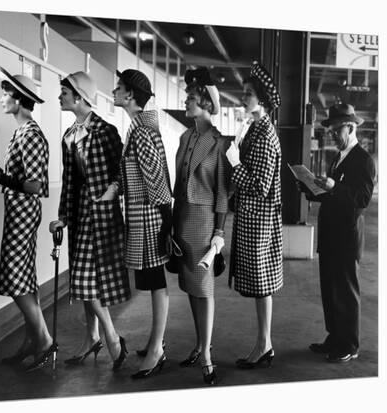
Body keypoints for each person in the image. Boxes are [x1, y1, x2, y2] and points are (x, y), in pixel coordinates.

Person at [0, 67, 56, 372]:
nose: (2, 98)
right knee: (24, 277)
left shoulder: (31, 135)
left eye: (6, 93)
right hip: (19, 209)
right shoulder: (21, 133)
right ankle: (32, 341)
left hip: (23, 210)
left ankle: (44, 341)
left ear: (19, 100)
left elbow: (34, 184)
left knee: (15, 276)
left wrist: (0, 176)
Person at [49, 72, 130, 371]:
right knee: (85, 281)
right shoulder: (68, 136)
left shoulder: (106, 132)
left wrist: (111, 194)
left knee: (87, 281)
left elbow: (122, 174)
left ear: (80, 97)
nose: (60, 97)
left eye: (64, 92)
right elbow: (69, 181)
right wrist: (62, 217)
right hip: (82, 215)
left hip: (104, 216)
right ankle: (92, 337)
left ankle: (110, 337)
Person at [297, 103, 375, 363]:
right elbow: (333, 195)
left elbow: (362, 199)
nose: (331, 135)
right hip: (330, 234)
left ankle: (349, 344)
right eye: (329, 130)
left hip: (346, 236)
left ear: (350, 128)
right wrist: (311, 188)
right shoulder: (338, 157)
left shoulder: (363, 160)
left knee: (346, 291)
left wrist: (334, 187)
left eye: (335, 130)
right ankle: (335, 336)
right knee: (330, 289)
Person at [112, 69, 173, 379]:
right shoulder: (139, 128)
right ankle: (154, 342)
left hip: (149, 217)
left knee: (155, 282)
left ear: (131, 95)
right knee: (151, 282)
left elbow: (156, 179)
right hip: (144, 215)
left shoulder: (142, 132)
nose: (114, 91)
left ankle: (157, 349)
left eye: (119, 87)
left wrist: (166, 223)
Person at [172, 67, 231, 385]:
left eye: (191, 98)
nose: (186, 101)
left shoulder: (219, 143)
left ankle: (207, 356)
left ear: (207, 104)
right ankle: (199, 344)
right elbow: (178, 183)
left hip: (205, 222)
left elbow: (222, 192)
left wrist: (219, 232)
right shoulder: (184, 136)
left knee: (204, 289)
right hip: (181, 220)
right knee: (190, 289)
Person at [225, 61, 283, 369]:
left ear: (261, 100)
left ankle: (264, 345)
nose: (243, 97)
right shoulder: (256, 129)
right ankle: (264, 343)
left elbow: (260, 185)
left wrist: (235, 163)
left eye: (248, 93)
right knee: (261, 285)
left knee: (262, 284)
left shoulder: (265, 134)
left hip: (260, 220)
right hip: (253, 218)